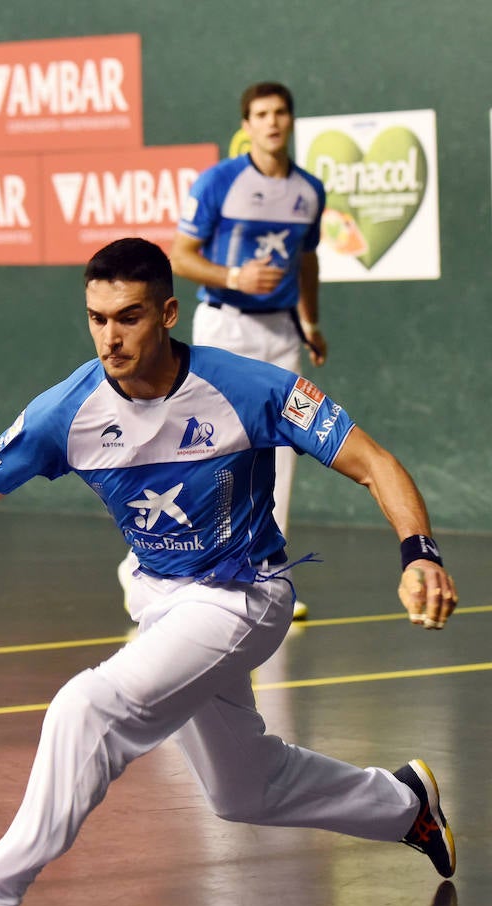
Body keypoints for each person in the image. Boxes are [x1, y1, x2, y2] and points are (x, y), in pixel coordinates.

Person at [0, 237, 457, 906]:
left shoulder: (248, 388)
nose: (110, 336)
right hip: (160, 600)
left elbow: (372, 460)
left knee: (87, 706)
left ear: (167, 312)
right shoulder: (66, 411)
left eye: (128, 317)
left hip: (242, 595)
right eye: (96, 318)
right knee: (242, 788)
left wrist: (418, 550)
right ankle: (404, 804)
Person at [113, 81, 326, 619]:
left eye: (281, 112)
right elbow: (181, 257)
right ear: (247, 125)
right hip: (224, 329)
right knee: (206, 446)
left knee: (281, 452)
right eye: (261, 114)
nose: (273, 122)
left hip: (281, 335)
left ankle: (264, 567)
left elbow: (306, 260)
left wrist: (310, 319)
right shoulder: (219, 184)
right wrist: (234, 275)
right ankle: (146, 560)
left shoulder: (309, 191)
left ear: (291, 121)